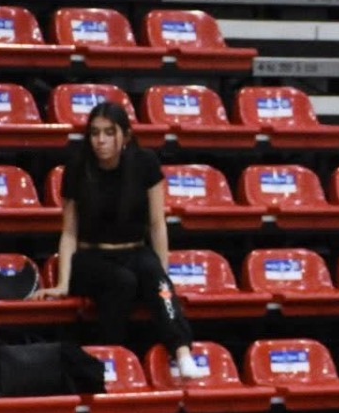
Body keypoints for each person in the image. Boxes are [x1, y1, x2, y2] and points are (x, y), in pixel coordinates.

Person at [32, 101, 207, 379]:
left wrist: (163, 271)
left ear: (125, 136)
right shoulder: (76, 168)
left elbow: (156, 224)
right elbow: (69, 233)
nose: (100, 140)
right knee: (121, 281)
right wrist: (62, 284)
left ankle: (183, 352)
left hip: (135, 250)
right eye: (94, 133)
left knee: (155, 277)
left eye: (109, 133)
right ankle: (111, 356)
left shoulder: (145, 163)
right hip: (91, 258)